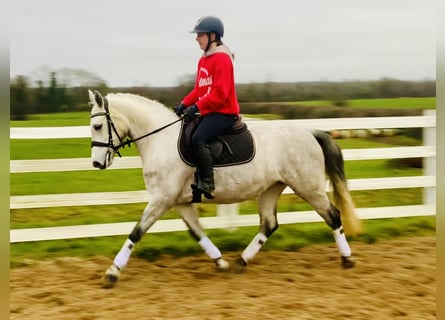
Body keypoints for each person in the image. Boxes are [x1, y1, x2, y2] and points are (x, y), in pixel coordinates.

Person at [174, 15, 240, 200]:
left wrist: (197, 107)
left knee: (198, 138)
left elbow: (221, 94)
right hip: (210, 110)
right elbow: (199, 89)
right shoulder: (203, 60)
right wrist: (184, 104)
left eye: (200, 35)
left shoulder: (222, 59)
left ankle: (207, 182)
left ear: (213, 36)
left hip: (224, 112)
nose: (197, 38)